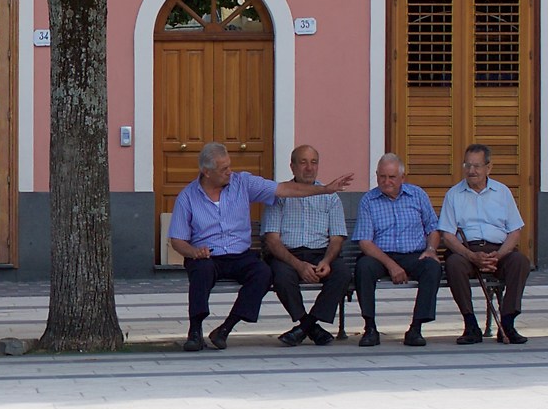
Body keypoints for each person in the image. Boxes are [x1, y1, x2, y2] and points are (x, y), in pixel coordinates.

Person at [168, 141, 354, 352]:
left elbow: (283, 189)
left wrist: (325, 189)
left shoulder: (243, 183)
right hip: (207, 256)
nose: (230, 172)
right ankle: (195, 331)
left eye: (230, 166)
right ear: (206, 172)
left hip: (240, 255)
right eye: (224, 169)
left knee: (263, 273)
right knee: (200, 271)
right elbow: (177, 239)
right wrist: (193, 252)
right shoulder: (187, 197)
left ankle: (226, 328)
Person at [439, 144, 532, 345]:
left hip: (498, 251)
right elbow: (447, 235)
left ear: (488, 168)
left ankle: (507, 322)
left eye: (477, 166)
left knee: (520, 262)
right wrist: (472, 256)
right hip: (467, 251)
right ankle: (470, 324)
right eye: (467, 165)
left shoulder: (502, 192)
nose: (471, 171)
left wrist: (498, 256)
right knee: (453, 264)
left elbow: (515, 231)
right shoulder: (454, 195)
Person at [262, 144, 353, 347]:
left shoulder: (330, 196)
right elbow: (272, 240)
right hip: (288, 254)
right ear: (292, 166)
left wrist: (327, 261)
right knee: (281, 276)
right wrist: (298, 265)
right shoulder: (279, 196)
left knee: (342, 273)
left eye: (313, 162)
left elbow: (337, 237)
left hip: (320, 253)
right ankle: (310, 326)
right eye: (303, 162)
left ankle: (305, 326)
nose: (309, 168)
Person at [353, 154, 441, 347]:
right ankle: (370, 328)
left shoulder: (418, 195)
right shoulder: (369, 200)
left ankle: (416, 329)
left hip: (413, 254)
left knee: (432, 267)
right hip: (380, 256)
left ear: (402, 177)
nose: (387, 182)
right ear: (376, 176)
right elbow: (365, 242)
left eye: (392, 177)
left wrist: (431, 249)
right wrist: (391, 265)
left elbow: (433, 228)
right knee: (364, 267)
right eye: (382, 176)